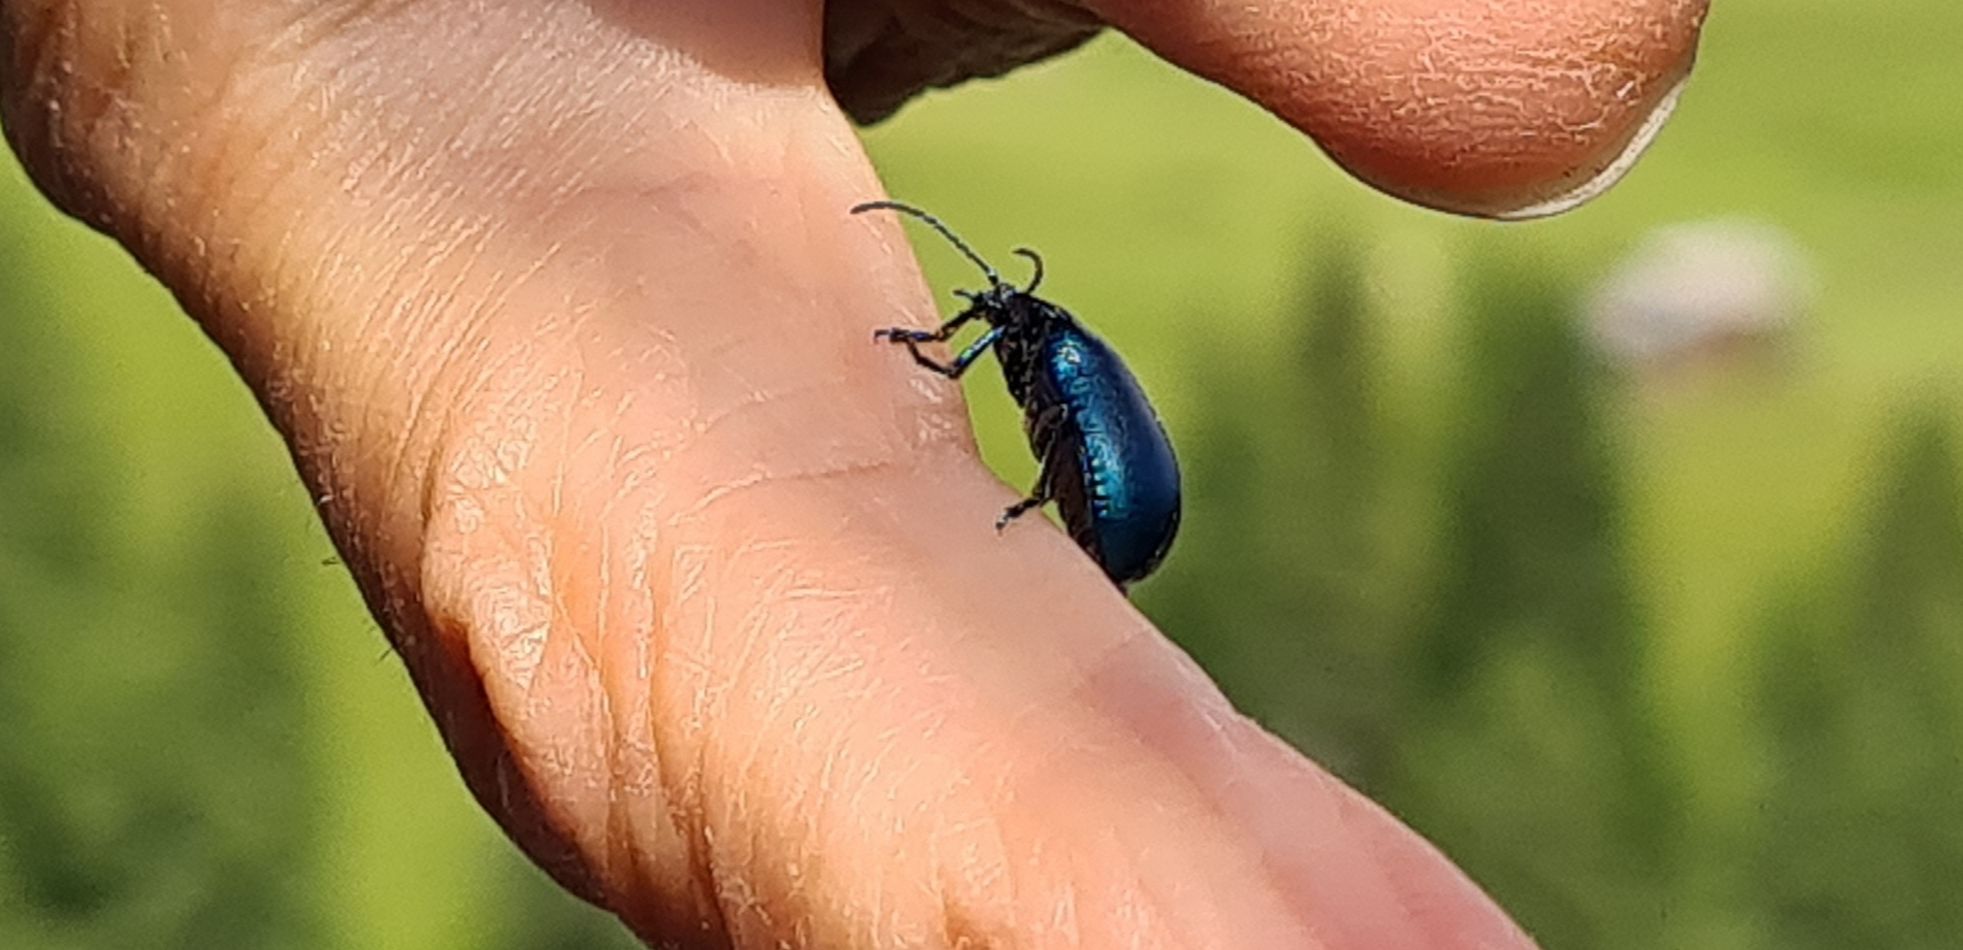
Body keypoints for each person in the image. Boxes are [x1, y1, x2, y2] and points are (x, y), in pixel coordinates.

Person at [0, 0, 1707, 945]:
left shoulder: (1041, 356)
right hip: (1121, 507)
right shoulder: (1033, 345)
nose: (969, 323)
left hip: (1122, 511)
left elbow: (1071, 432)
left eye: (979, 319)